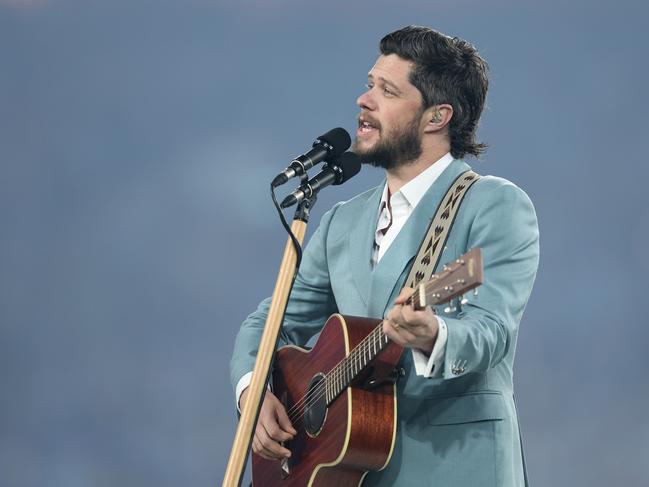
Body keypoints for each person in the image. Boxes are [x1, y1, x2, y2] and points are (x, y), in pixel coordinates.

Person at [230, 25, 539, 486]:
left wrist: (433, 332)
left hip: (456, 469)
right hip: (349, 469)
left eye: (387, 91)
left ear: (437, 117)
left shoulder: (494, 205)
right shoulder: (341, 222)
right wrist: (253, 393)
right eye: (370, 83)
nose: (364, 99)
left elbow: (491, 331)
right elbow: (271, 322)